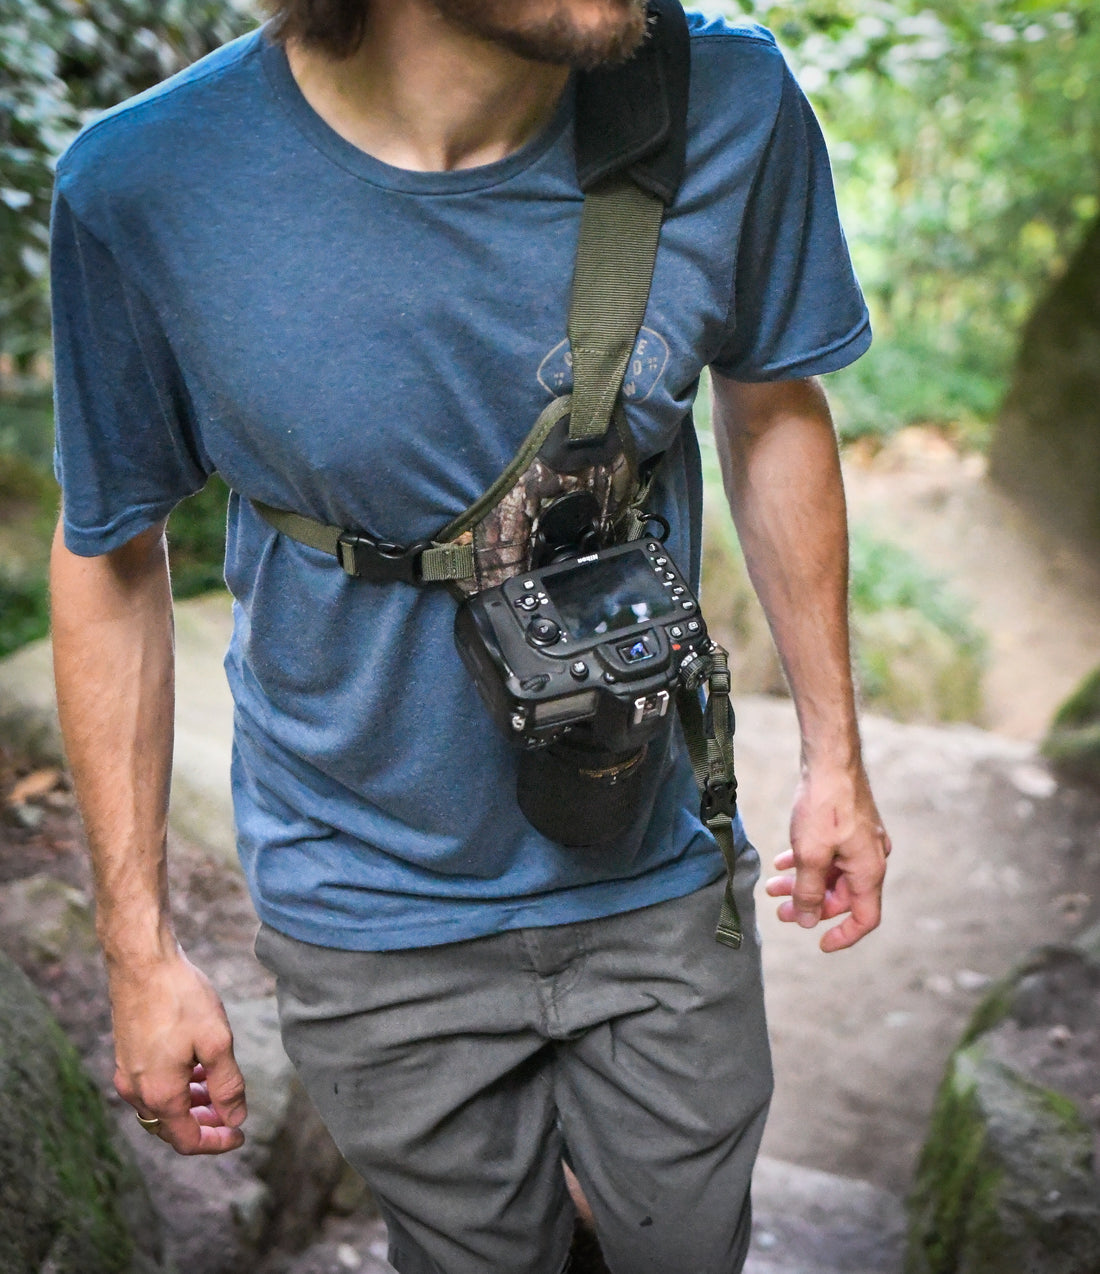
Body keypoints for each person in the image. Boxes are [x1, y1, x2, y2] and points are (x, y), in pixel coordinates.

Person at [48, 1, 891, 1270]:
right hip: (361, 891)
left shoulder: (725, 97)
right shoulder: (149, 184)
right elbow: (110, 553)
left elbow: (771, 403)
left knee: (689, 1244)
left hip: (651, 855)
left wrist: (835, 760)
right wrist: (138, 949)